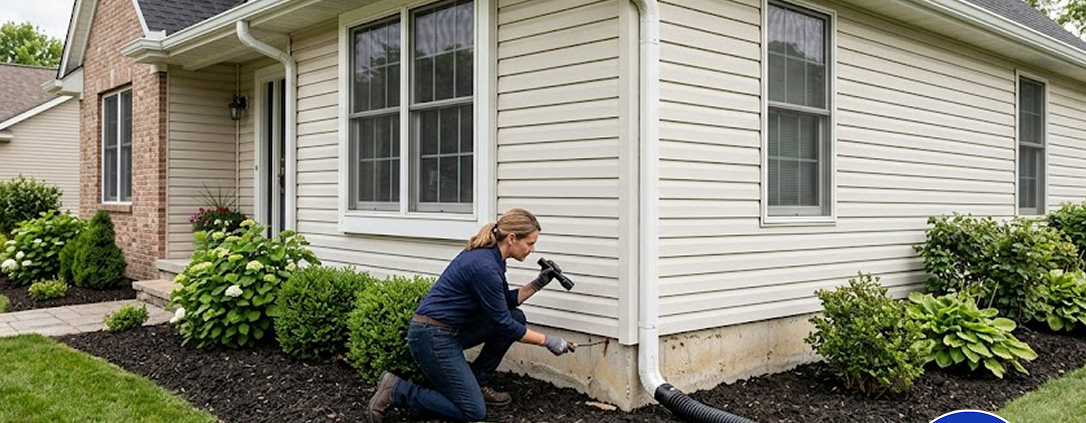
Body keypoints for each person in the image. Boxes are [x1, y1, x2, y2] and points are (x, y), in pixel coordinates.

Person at [366, 207, 577, 423]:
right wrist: (548, 340)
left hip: (452, 329)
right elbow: (501, 321)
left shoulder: (493, 258)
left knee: (516, 317)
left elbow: (502, 304)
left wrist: (538, 283)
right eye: (530, 243)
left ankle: (478, 382)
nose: (532, 250)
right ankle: (397, 390)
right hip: (432, 336)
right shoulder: (484, 265)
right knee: (472, 412)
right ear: (512, 238)